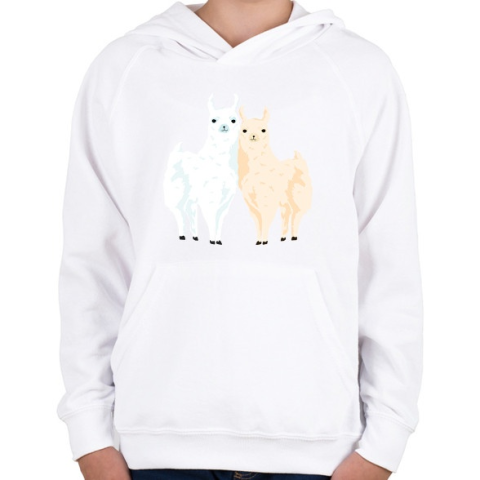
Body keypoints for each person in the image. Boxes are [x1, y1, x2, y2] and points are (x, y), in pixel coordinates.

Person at [56, 1, 424, 479]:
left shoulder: (359, 73)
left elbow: (389, 267)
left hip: (319, 452)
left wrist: (383, 446)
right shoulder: (126, 70)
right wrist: (90, 437)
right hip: (151, 449)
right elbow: (92, 267)